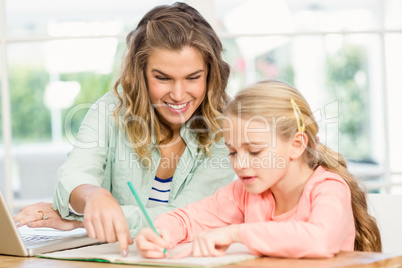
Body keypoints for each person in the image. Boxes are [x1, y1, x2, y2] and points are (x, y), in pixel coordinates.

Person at [13, 2, 235, 257]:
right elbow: (74, 175)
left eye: (193, 78)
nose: (177, 94)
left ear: (210, 74)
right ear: (140, 73)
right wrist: (93, 197)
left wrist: (83, 220)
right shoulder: (111, 110)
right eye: (162, 78)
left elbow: (185, 215)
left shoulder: (225, 130)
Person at [135, 80, 382, 259]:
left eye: (254, 152)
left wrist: (234, 234)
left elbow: (320, 239)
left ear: (296, 145)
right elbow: (185, 219)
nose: (240, 164)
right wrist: (161, 233)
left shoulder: (328, 188)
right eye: (232, 152)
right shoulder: (244, 192)